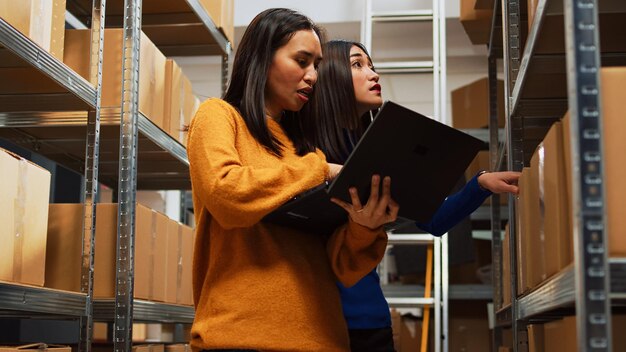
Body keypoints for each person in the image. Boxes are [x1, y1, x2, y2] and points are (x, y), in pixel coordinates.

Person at [186, 10, 400, 352]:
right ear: (262, 57)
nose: (313, 76)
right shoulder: (219, 116)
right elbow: (227, 194)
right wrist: (322, 170)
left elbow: (343, 267)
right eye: (302, 61)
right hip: (240, 337)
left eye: (316, 65)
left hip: (324, 340)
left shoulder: (305, 148)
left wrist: (364, 226)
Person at [300, 39, 521, 351]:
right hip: (319, 323)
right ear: (332, 77)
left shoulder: (377, 154)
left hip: (372, 321)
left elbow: (431, 220)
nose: (373, 74)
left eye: (371, 65)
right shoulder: (304, 156)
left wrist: (480, 185)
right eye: (357, 64)